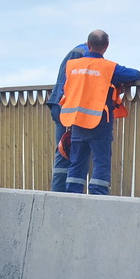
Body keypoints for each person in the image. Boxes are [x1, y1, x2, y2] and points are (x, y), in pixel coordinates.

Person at [60, 29, 140, 195]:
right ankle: (98, 195)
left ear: (88, 45)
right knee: (101, 161)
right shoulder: (108, 68)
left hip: (76, 121)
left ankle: (72, 194)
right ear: (106, 47)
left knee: (77, 161)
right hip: (99, 121)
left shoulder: (72, 66)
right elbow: (136, 74)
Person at [46, 41, 88, 191]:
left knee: (63, 150)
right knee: (71, 154)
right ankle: (64, 196)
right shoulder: (86, 54)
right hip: (69, 108)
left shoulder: (76, 51)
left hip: (59, 104)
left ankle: (57, 195)